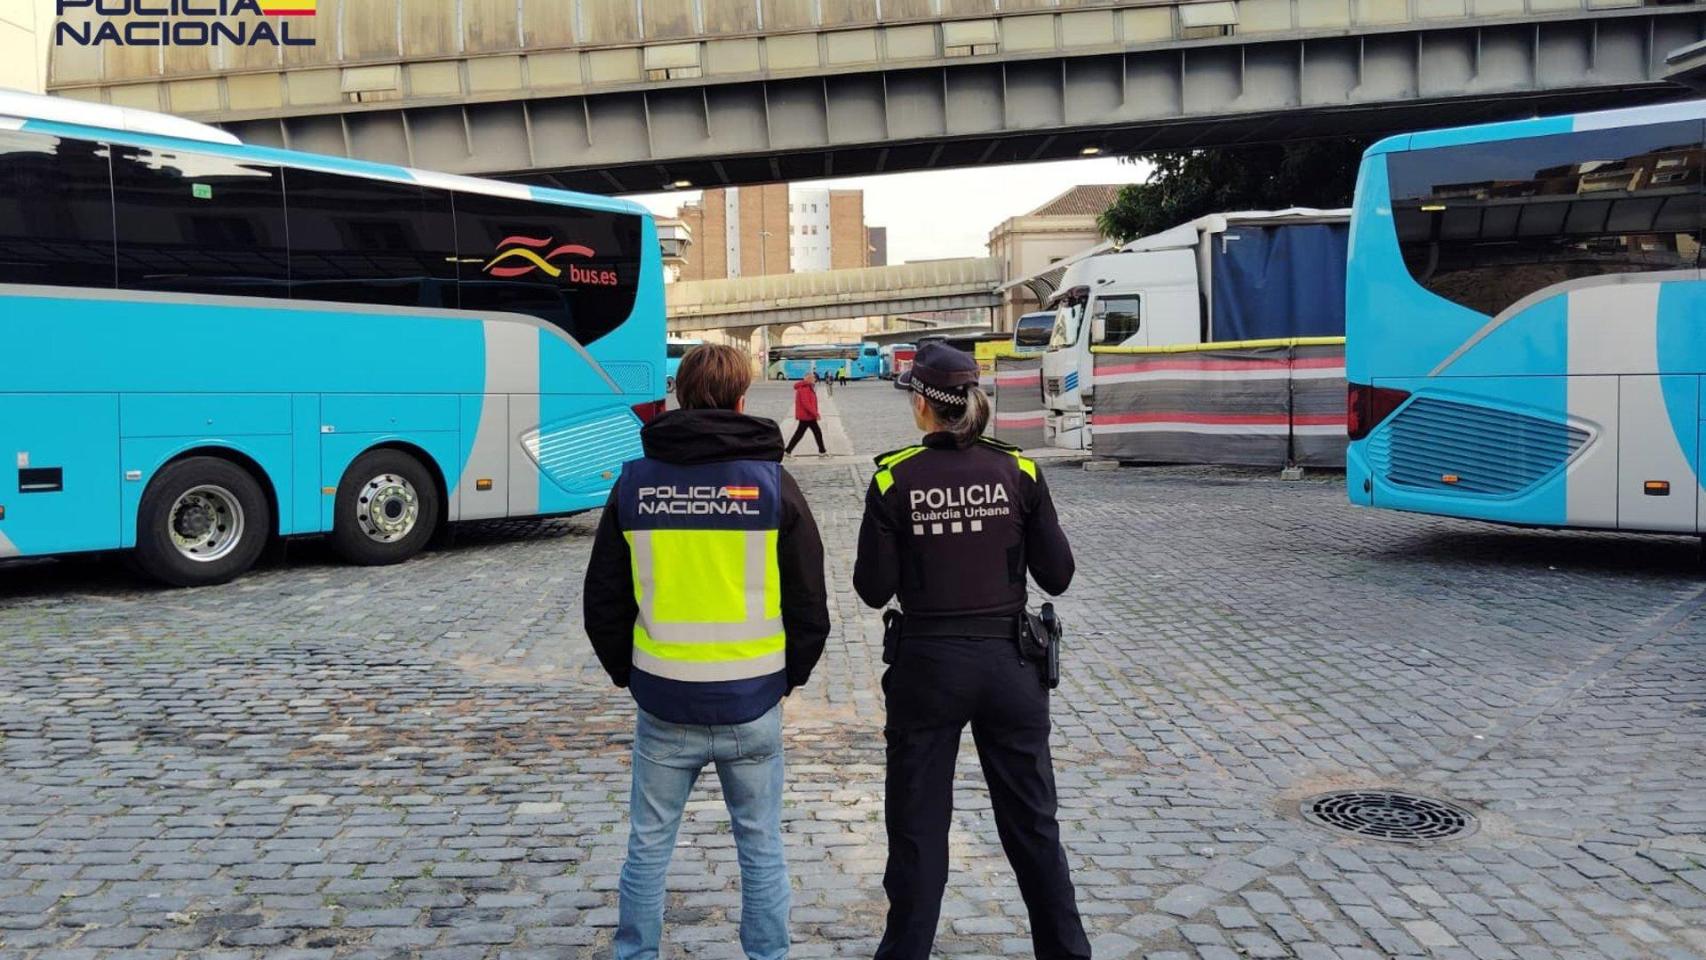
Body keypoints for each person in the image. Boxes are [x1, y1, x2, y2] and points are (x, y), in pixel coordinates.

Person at [584, 343, 831, 960]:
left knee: (648, 843)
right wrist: (785, 679)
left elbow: (604, 600)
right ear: (742, 400)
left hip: (664, 699)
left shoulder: (634, 484)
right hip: (753, 700)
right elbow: (810, 605)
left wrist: (629, 675)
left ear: (682, 397)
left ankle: (636, 953)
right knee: (761, 845)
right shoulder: (774, 485)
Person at [852, 342, 1090, 960]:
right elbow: (1058, 575)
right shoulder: (1021, 472)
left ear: (926, 407)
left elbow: (872, 590)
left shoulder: (891, 477)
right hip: (1010, 666)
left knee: (918, 829)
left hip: (927, 668)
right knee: (1034, 825)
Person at [785, 370, 827, 457]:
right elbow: (806, 404)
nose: (815, 379)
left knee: (814, 433)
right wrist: (816, 414)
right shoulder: (805, 388)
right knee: (802, 434)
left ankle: (822, 451)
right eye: (813, 378)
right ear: (809, 379)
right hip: (806, 416)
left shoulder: (808, 387)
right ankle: (787, 451)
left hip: (808, 416)